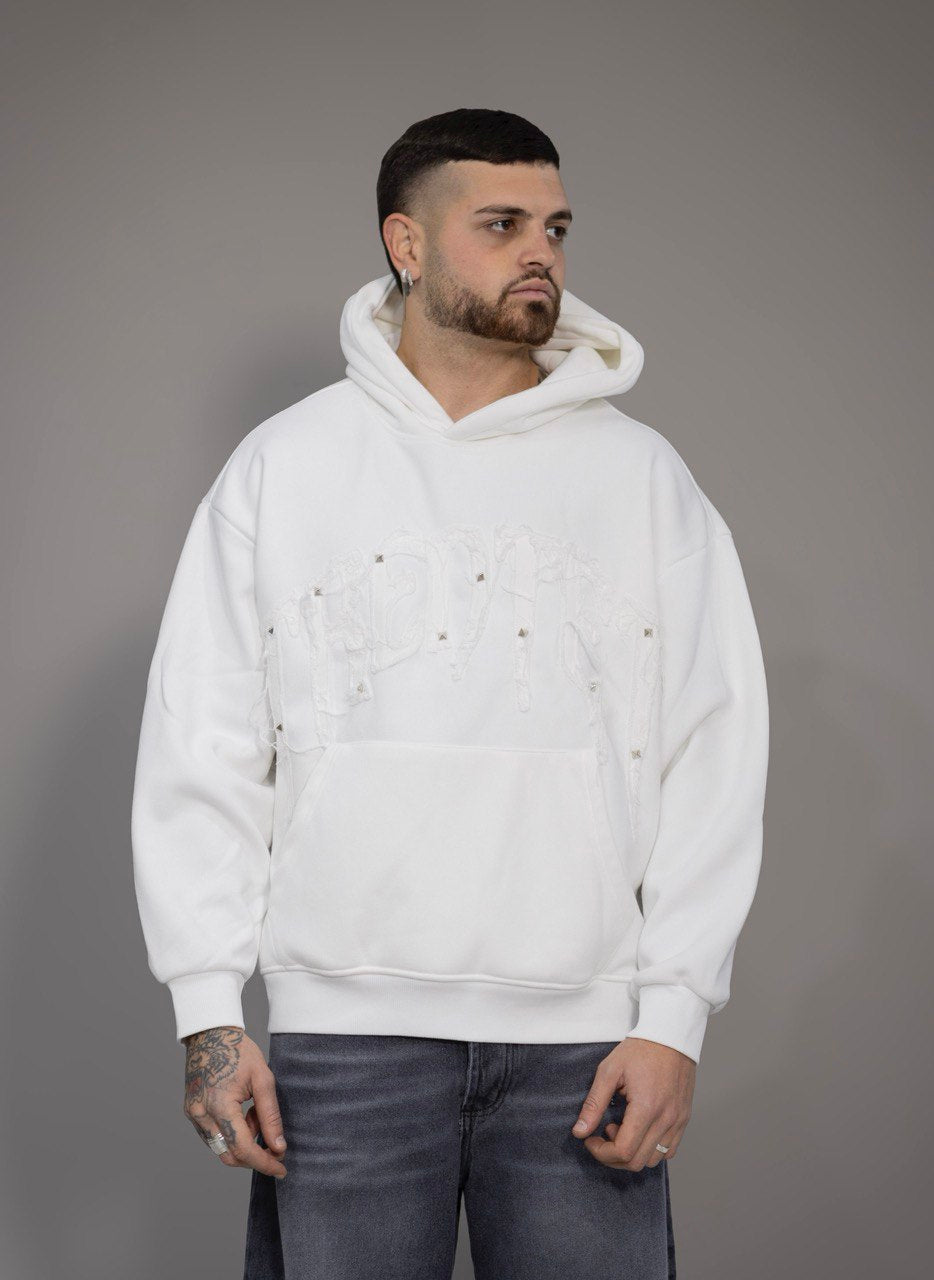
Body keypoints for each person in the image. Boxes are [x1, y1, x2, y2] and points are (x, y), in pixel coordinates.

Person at [130, 107, 769, 1280]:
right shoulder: (285, 465)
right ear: (406, 243)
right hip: (346, 1042)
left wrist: (673, 1014)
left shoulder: (642, 478)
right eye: (502, 224)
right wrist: (210, 1008)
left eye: (555, 228)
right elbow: (203, 740)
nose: (540, 253)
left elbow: (714, 752)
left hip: (586, 1046)